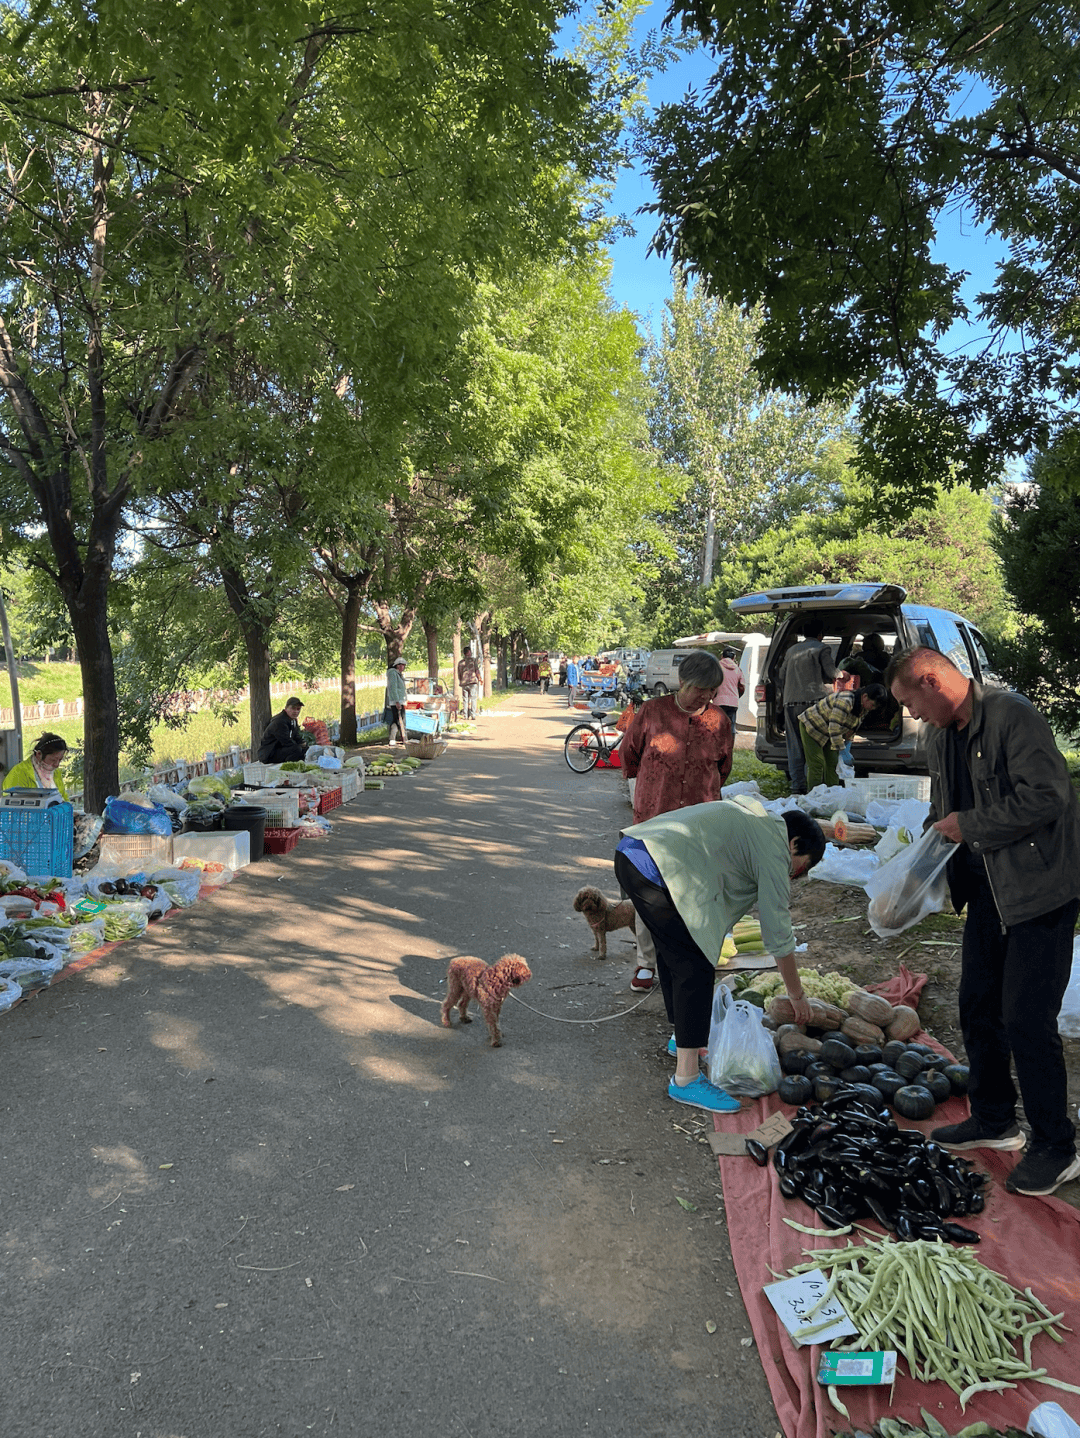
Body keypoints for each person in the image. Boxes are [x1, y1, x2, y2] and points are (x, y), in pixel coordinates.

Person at [886, 645, 1080, 1197]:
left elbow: (1047, 797)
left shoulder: (1012, 715)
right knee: (976, 1004)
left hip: (1040, 889)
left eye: (911, 703)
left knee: (1027, 1018)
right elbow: (941, 812)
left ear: (932, 681)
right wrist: (915, 867)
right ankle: (995, 1120)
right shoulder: (940, 735)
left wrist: (967, 824)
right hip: (989, 892)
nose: (913, 716)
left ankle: (1056, 1146)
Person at [615, 798, 826, 1112]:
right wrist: (796, 995)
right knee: (694, 964)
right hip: (653, 866)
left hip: (633, 853)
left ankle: (682, 1038)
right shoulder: (774, 845)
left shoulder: (756, 823)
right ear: (794, 843)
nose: (793, 876)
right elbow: (778, 931)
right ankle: (686, 1080)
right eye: (801, 867)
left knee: (676, 952)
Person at [620, 651, 734, 993]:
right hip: (655, 816)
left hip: (700, 821)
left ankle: (686, 959)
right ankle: (646, 963)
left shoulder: (719, 722)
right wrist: (646, 790)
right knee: (651, 890)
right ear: (682, 682)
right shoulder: (652, 712)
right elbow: (630, 754)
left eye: (712, 691)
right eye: (700, 689)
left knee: (695, 891)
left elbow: (724, 767)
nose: (707, 697)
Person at [778, 618, 838, 794]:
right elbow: (832, 672)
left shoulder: (791, 650)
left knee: (794, 745)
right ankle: (816, 788)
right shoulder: (822, 648)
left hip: (790, 703)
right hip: (814, 705)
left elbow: (781, 674)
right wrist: (842, 673)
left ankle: (797, 786)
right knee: (813, 747)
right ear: (821, 635)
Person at [797, 682, 888, 790]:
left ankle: (833, 795)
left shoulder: (863, 708)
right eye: (873, 705)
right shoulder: (845, 701)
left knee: (833, 764)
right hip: (812, 725)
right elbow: (834, 728)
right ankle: (814, 797)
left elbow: (852, 728)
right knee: (817, 764)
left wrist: (848, 745)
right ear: (865, 697)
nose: (872, 708)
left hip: (829, 731)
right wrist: (842, 750)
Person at [3, 732, 70, 798]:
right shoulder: (19, 773)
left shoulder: (55, 772)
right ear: (39, 754)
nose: (57, 765)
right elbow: (12, 804)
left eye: (60, 760)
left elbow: (63, 797)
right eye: (53, 760)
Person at [257, 697, 308, 763]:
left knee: (304, 749)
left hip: (280, 749)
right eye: (293, 708)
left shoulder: (293, 720)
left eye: (298, 709)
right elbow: (286, 741)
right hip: (269, 753)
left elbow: (296, 736)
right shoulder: (280, 721)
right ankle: (288, 769)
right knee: (296, 750)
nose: (296, 711)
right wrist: (299, 746)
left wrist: (303, 743)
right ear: (286, 708)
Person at [713, 645, 745, 732]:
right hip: (733, 702)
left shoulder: (716, 667)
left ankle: (718, 745)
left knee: (718, 726)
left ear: (722, 656)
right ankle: (730, 744)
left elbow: (711, 683)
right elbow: (742, 687)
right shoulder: (738, 670)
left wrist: (713, 696)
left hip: (718, 701)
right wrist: (736, 696)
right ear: (734, 658)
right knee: (731, 726)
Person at [384, 658, 408, 745]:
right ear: (396, 665)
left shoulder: (398, 674)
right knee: (400, 719)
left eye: (403, 665)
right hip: (396, 700)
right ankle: (404, 737)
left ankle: (392, 738)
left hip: (400, 700)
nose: (402, 667)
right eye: (400, 665)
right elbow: (393, 688)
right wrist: (397, 701)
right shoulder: (393, 673)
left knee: (396, 719)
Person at [458, 645, 482, 721]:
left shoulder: (460, 662)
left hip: (464, 683)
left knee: (465, 700)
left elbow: (459, 674)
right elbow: (477, 670)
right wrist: (480, 679)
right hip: (472, 682)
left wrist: (461, 680)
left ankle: (465, 715)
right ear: (468, 652)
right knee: (473, 698)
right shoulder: (473, 660)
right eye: (470, 651)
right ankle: (473, 715)